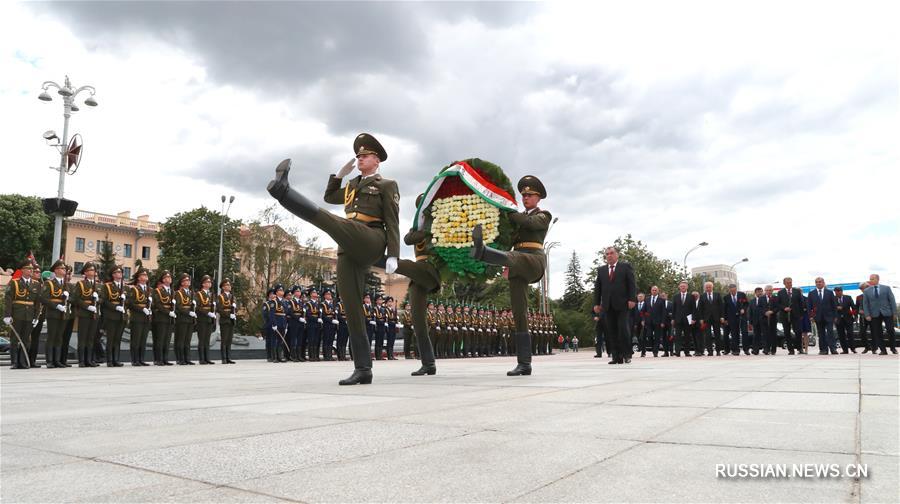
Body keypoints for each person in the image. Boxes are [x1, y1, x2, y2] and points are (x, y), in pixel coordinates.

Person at [267, 132, 400, 386]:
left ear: (377, 160)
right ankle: (363, 368)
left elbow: (392, 219)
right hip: (348, 246)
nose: (360, 159)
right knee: (351, 308)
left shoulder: (386, 185)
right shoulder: (351, 186)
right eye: (358, 156)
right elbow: (329, 197)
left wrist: (393, 253)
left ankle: (284, 192)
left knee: (332, 221)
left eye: (365, 156)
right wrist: (338, 176)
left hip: (371, 238)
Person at [472, 175, 552, 376]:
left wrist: (508, 211)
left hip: (533, 260)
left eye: (530, 195)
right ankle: (524, 363)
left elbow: (529, 223)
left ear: (538, 198)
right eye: (524, 195)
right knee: (519, 313)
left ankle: (484, 253)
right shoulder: (517, 219)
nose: (526, 198)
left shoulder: (544, 215)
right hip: (515, 263)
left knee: (515, 256)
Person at [592, 246, 637, 365]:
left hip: (622, 304)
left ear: (617, 255)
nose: (609, 256)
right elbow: (598, 288)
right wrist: (596, 303)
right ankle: (616, 356)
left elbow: (632, 284)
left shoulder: (625, 267)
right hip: (607, 305)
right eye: (607, 254)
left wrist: (632, 299)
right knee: (611, 331)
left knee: (623, 329)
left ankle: (626, 354)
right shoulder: (601, 270)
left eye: (611, 253)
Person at [4, 261, 40, 369]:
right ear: (22, 270)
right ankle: (14, 362)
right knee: (15, 339)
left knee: (26, 339)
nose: (31, 271)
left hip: (29, 315)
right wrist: (7, 315)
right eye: (28, 269)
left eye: (31, 269)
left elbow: (38, 303)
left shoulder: (36, 284)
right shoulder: (14, 282)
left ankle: (23, 361)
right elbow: (8, 300)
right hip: (17, 314)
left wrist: (36, 316)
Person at [40, 260, 71, 368]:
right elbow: (43, 298)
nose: (64, 270)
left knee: (59, 337)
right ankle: (49, 360)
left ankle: (57, 360)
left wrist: (68, 297)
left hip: (64, 313)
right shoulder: (49, 283)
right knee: (52, 336)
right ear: (56, 270)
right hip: (53, 313)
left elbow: (71, 299)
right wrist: (56, 306)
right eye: (62, 269)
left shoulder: (66, 284)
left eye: (64, 269)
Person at [71, 262, 100, 367]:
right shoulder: (81, 284)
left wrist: (98, 299)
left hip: (95, 314)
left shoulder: (98, 284)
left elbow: (103, 299)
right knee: (82, 337)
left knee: (91, 338)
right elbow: (76, 299)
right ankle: (82, 360)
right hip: (84, 313)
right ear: (86, 272)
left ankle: (89, 359)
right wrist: (87, 306)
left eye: (94, 270)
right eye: (90, 270)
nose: (93, 272)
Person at [862, 273, 897, 355]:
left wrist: (894, 313)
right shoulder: (867, 291)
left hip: (887, 312)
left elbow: (892, 300)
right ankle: (883, 350)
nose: (870, 280)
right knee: (877, 332)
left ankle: (893, 348)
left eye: (872, 279)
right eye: (870, 279)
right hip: (874, 314)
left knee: (890, 330)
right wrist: (867, 314)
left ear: (878, 279)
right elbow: (865, 304)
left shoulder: (886, 288)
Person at [126, 267, 153, 366]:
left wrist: (151, 306)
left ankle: (141, 359)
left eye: (146, 275)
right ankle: (134, 359)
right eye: (143, 275)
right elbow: (130, 303)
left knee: (143, 339)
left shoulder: (150, 290)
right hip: (137, 317)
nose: (145, 277)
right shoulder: (134, 289)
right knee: (136, 339)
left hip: (146, 318)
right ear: (138, 277)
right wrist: (142, 309)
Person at [151, 270, 176, 366]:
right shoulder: (158, 291)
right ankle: (158, 359)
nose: (168, 279)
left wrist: (173, 312)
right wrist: (168, 312)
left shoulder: (173, 292)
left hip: (170, 319)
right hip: (160, 318)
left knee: (167, 339)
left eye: (169, 278)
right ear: (162, 279)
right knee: (160, 339)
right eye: (166, 278)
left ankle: (165, 358)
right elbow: (157, 304)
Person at [808, 277, 837, 355]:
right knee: (821, 334)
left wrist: (835, 316)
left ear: (823, 283)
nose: (818, 283)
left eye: (820, 282)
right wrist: (811, 316)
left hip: (829, 316)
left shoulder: (829, 292)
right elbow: (809, 306)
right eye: (817, 282)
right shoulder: (811, 293)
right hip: (818, 317)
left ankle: (833, 349)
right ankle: (823, 350)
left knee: (830, 332)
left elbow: (834, 305)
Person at [777, 277, 806, 355]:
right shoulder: (780, 292)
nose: (789, 284)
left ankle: (800, 348)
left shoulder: (796, 291)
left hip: (796, 315)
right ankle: (790, 350)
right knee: (787, 332)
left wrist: (801, 314)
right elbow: (778, 304)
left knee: (798, 332)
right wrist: (784, 308)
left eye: (790, 282)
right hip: (785, 315)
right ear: (784, 283)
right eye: (788, 282)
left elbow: (801, 303)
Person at [173, 273, 196, 365]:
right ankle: (180, 358)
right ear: (182, 283)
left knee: (187, 340)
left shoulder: (191, 293)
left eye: (188, 280)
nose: (188, 282)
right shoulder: (178, 293)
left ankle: (187, 358)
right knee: (181, 339)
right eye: (186, 280)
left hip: (190, 319)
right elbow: (178, 306)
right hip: (182, 319)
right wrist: (188, 312)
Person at [698, 282, 725, 356]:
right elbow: (700, 308)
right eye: (707, 287)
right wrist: (701, 318)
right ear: (705, 288)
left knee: (717, 335)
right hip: (706, 319)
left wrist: (722, 316)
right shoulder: (702, 296)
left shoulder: (717, 295)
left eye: (709, 287)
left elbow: (721, 307)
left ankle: (718, 351)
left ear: (712, 287)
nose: (708, 288)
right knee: (707, 335)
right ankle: (710, 351)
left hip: (716, 318)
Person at [723, 284, 749, 355]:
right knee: (734, 334)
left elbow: (746, 303)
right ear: (729, 290)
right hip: (732, 318)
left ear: (736, 289)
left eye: (734, 291)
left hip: (742, 317)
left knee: (744, 333)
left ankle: (746, 349)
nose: (733, 292)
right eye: (731, 291)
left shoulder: (742, 295)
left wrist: (743, 309)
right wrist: (725, 319)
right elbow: (725, 309)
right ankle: (736, 350)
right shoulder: (726, 297)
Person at [671, 281, 695, 358]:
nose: (683, 288)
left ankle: (687, 352)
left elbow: (693, 309)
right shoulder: (676, 296)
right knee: (677, 336)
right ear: (679, 287)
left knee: (687, 336)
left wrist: (693, 319)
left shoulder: (691, 296)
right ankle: (677, 352)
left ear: (687, 287)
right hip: (678, 320)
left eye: (684, 286)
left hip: (688, 319)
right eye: (681, 286)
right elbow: (673, 309)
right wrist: (673, 319)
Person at [217, 278, 237, 364]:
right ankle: (224, 358)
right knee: (224, 340)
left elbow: (236, 308)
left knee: (229, 340)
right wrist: (229, 314)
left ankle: (228, 357)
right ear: (223, 287)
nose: (228, 287)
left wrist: (235, 311)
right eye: (226, 285)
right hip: (224, 320)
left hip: (231, 321)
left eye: (229, 285)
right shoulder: (220, 297)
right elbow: (219, 309)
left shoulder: (233, 297)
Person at [833, 286, 856, 353]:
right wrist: (836, 308)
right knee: (841, 335)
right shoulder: (833, 298)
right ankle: (845, 350)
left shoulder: (848, 297)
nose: (837, 293)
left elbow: (853, 308)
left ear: (841, 291)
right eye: (836, 292)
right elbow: (831, 308)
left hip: (848, 318)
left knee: (850, 334)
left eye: (838, 292)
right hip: (838, 319)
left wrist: (854, 315)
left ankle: (853, 348)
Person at [648, 286, 666, 357]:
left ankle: (655, 351)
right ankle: (653, 348)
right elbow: (644, 311)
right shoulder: (647, 299)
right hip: (649, 322)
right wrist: (644, 319)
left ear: (658, 291)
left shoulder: (661, 300)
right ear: (651, 291)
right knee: (649, 336)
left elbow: (663, 312)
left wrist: (662, 322)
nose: (654, 291)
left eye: (655, 290)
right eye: (653, 290)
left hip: (658, 322)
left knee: (657, 337)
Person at [305, 288, 322, 362]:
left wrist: (319, 319)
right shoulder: (308, 304)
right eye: (314, 293)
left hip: (317, 325)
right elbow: (308, 315)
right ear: (311, 294)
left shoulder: (318, 304)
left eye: (316, 293)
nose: (315, 294)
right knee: (311, 340)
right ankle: (311, 356)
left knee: (316, 340)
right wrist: (316, 319)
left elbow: (319, 314)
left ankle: (316, 355)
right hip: (311, 324)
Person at [856, 283, 873, 353]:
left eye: (863, 288)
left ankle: (874, 347)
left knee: (874, 332)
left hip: (872, 317)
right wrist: (858, 311)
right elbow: (856, 307)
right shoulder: (859, 297)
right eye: (861, 289)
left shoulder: (872, 296)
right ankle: (867, 347)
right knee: (862, 333)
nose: (862, 290)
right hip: (863, 317)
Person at [761, 285, 778, 355]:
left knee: (773, 334)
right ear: (765, 291)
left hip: (773, 319)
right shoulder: (761, 298)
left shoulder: (775, 298)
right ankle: (766, 349)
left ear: (772, 291)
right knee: (765, 335)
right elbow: (759, 308)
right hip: (764, 319)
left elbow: (777, 307)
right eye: (767, 290)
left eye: (770, 290)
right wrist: (765, 312)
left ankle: (773, 350)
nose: (768, 292)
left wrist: (772, 311)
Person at [321, 289, 337, 361]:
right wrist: (331, 320)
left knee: (331, 340)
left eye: (330, 294)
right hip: (326, 324)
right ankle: (326, 355)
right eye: (327, 294)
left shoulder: (332, 304)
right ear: (324, 296)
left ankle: (329, 355)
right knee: (326, 340)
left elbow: (333, 314)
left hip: (332, 325)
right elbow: (323, 315)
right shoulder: (323, 304)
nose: (329, 296)